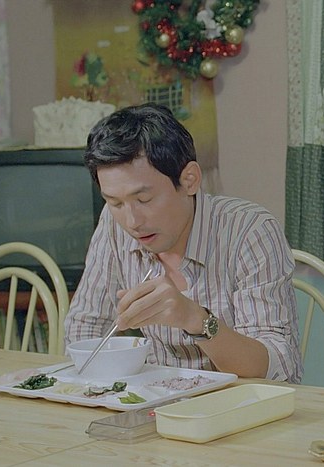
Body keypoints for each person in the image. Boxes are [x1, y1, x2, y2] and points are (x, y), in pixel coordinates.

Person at [64, 103, 303, 382]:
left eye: (144, 199)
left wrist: (195, 318)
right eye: (115, 202)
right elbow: (85, 325)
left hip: (243, 402)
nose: (132, 221)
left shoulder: (249, 231)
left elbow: (271, 367)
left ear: (189, 180)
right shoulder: (113, 223)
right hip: (157, 399)